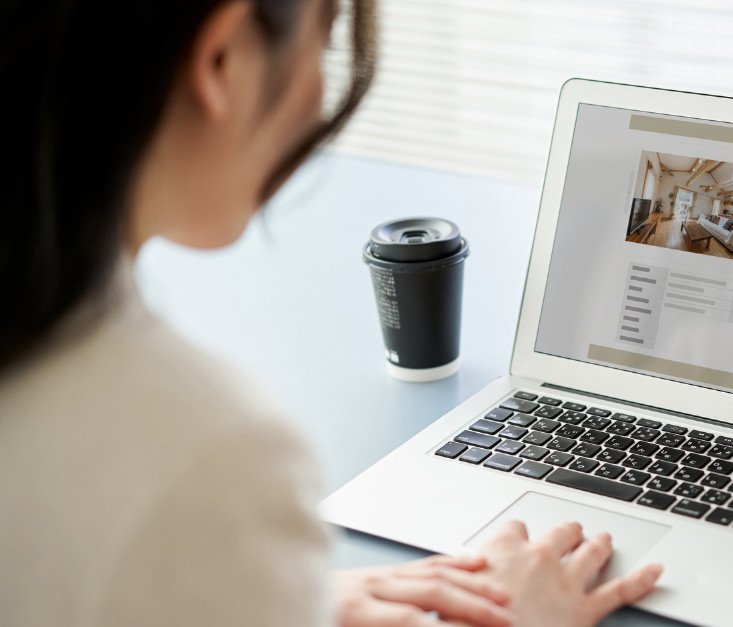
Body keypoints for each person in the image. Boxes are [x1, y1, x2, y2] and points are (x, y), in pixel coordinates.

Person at [0, 1, 662, 625]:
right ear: (222, 61)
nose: (322, 90)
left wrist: (261, 597)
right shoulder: (210, 463)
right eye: (327, 37)